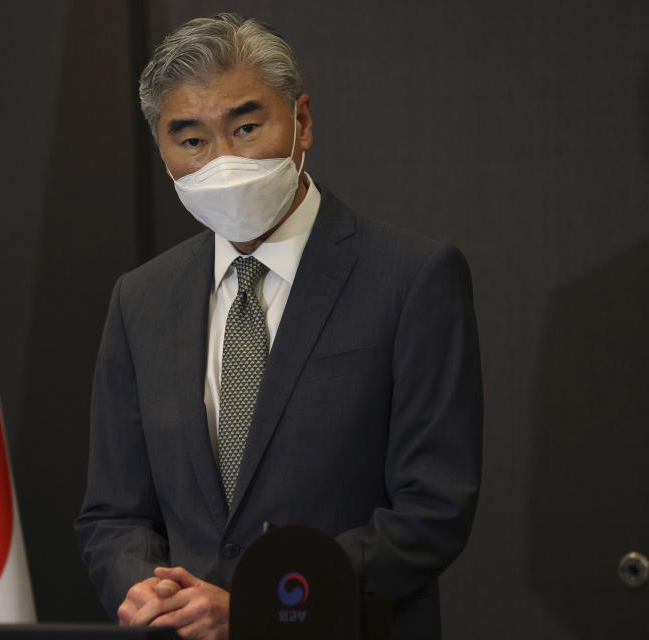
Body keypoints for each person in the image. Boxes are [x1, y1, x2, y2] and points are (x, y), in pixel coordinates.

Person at [75, 13, 482, 640]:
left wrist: (260, 604)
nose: (224, 161)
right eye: (192, 140)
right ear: (162, 151)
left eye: (245, 126)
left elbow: (433, 510)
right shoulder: (140, 298)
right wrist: (148, 590)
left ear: (303, 121)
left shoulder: (413, 276)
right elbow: (113, 512)